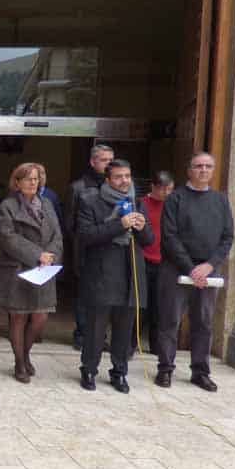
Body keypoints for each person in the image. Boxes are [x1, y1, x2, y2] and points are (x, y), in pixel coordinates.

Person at [155, 152, 234, 392]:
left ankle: (200, 372)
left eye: (208, 166)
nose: (203, 170)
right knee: (170, 321)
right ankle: (165, 369)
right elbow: (169, 237)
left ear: (213, 170)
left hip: (208, 270)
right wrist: (190, 268)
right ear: (189, 171)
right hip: (176, 268)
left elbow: (227, 237)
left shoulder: (221, 201)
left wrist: (209, 265)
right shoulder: (175, 199)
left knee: (204, 323)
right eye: (198, 166)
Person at [76, 159, 153, 393]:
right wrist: (119, 225)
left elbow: (149, 240)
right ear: (108, 180)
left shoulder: (137, 202)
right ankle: (89, 369)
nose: (124, 181)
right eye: (118, 177)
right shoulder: (91, 201)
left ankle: (119, 372)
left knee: (124, 328)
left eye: (127, 176)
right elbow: (86, 235)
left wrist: (141, 228)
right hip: (102, 273)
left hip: (130, 273)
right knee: (96, 328)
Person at [0, 162, 64, 384]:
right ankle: (19, 362)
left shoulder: (46, 204)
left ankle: (25, 353)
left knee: (40, 318)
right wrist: (37, 254)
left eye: (36, 179)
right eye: (28, 179)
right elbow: (8, 238)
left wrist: (51, 255)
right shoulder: (7, 206)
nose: (33, 182)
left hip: (44, 270)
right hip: (18, 269)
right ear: (17, 182)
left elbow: (57, 235)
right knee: (18, 317)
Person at [66, 144, 115, 349]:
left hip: (110, 249)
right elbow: (69, 222)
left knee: (105, 293)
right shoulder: (78, 188)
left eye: (111, 161)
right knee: (84, 293)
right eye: (104, 160)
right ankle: (83, 334)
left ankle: (101, 336)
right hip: (85, 247)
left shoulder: (117, 186)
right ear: (93, 162)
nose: (108, 164)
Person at [140, 170, 174, 353]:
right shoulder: (142, 204)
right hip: (144, 259)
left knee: (160, 307)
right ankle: (131, 343)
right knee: (140, 306)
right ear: (153, 187)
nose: (167, 193)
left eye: (170, 189)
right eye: (163, 189)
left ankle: (156, 346)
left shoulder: (173, 206)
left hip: (165, 261)